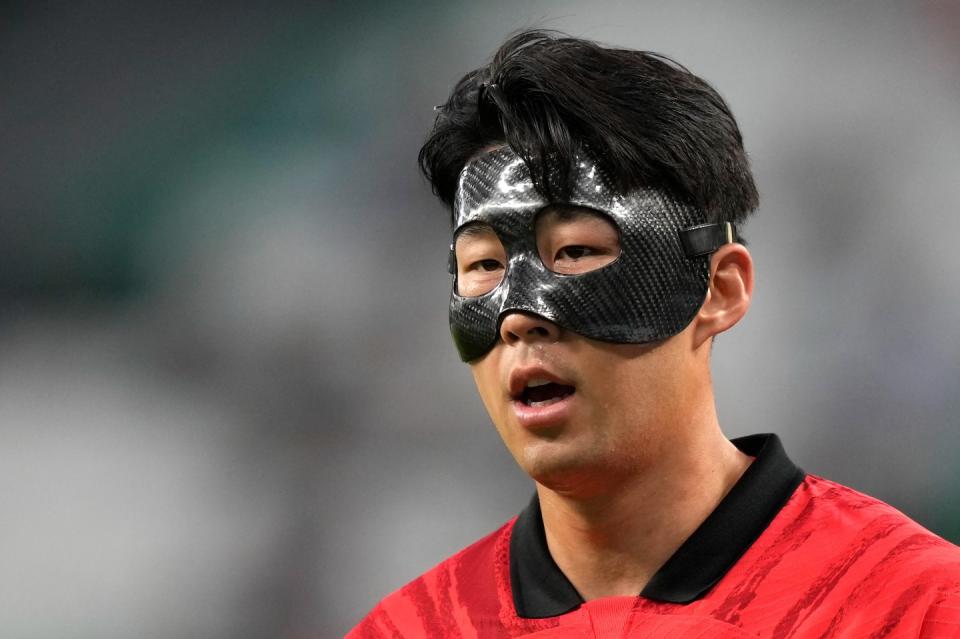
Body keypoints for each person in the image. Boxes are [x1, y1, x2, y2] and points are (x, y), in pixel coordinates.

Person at [347, 30, 960, 638]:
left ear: (719, 288)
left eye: (574, 250)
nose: (517, 314)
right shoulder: (411, 630)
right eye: (483, 264)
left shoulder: (915, 608)